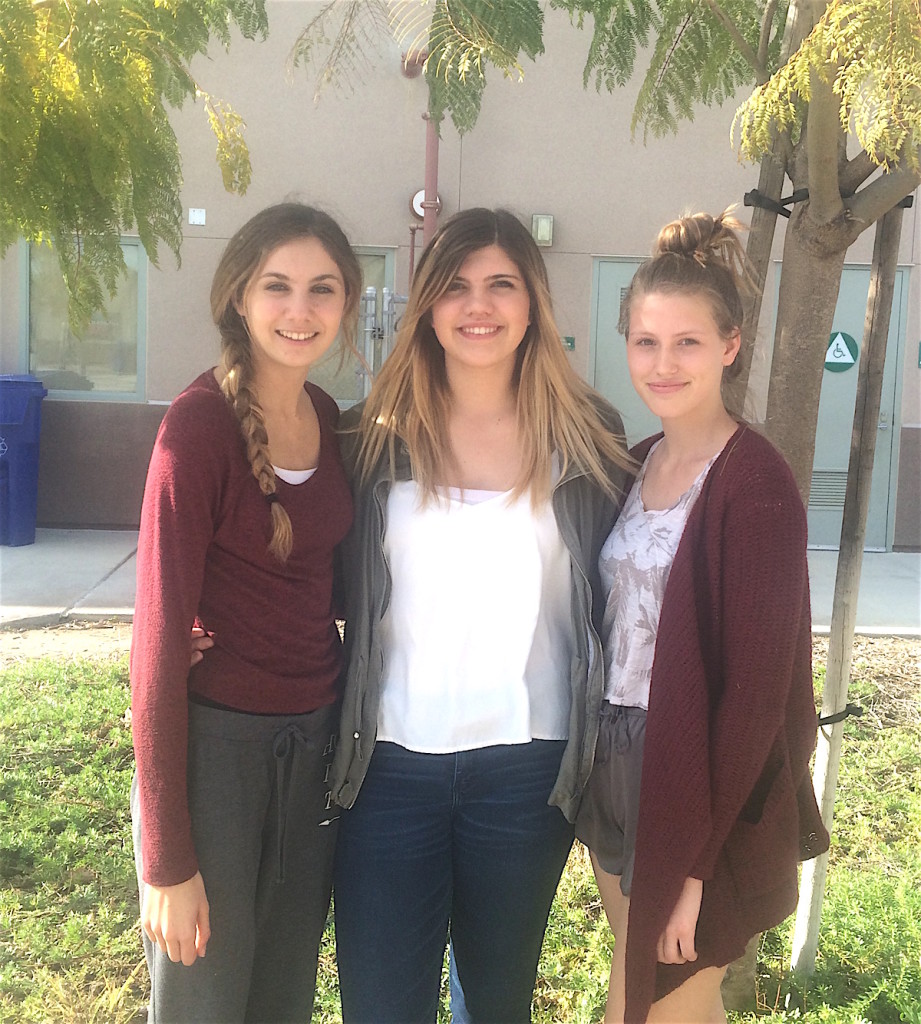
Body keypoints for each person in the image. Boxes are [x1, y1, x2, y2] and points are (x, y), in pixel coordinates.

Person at [329, 207, 633, 1024]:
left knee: (495, 1005)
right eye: (457, 285)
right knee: (381, 1006)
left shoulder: (587, 439)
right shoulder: (368, 440)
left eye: (502, 284)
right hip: (386, 766)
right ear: (428, 305)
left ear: (532, 302)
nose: (479, 305)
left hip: (527, 772)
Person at [573, 211, 830, 1023]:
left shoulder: (754, 485)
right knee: (631, 998)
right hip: (614, 758)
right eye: (646, 342)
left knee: (670, 1009)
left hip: (693, 777)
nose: (663, 363)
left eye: (687, 343)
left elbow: (755, 704)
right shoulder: (638, 461)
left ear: (729, 345)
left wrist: (694, 869)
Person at [129, 202, 361, 1023]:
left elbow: (319, 584)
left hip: (314, 752)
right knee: (204, 999)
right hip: (216, 756)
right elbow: (155, 644)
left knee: (281, 997)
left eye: (322, 289)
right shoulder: (197, 429)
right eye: (278, 286)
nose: (300, 310)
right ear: (238, 295)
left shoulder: (329, 420)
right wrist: (165, 857)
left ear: (346, 306)